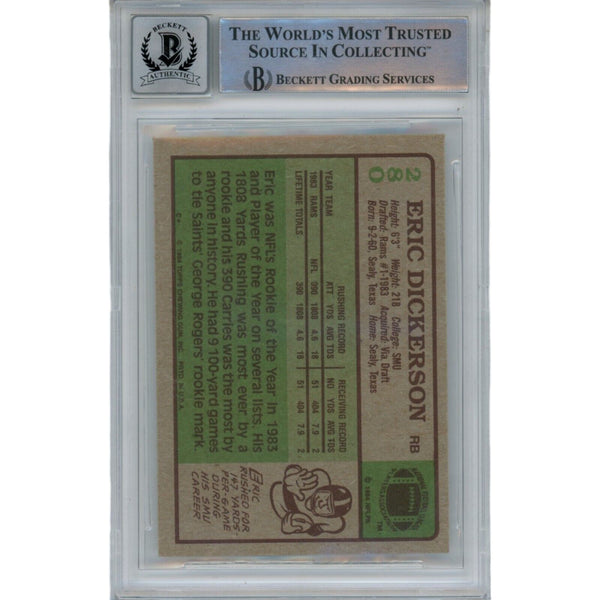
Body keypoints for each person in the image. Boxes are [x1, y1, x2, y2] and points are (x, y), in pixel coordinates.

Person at [270, 464, 352, 536]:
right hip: (280, 490)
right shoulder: (319, 479)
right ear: (323, 489)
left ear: (327, 515)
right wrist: (292, 475)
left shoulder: (319, 521)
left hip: (282, 511)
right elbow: (296, 469)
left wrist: (290, 529)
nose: (321, 503)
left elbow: (312, 531)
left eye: (327, 508)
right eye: (326, 498)